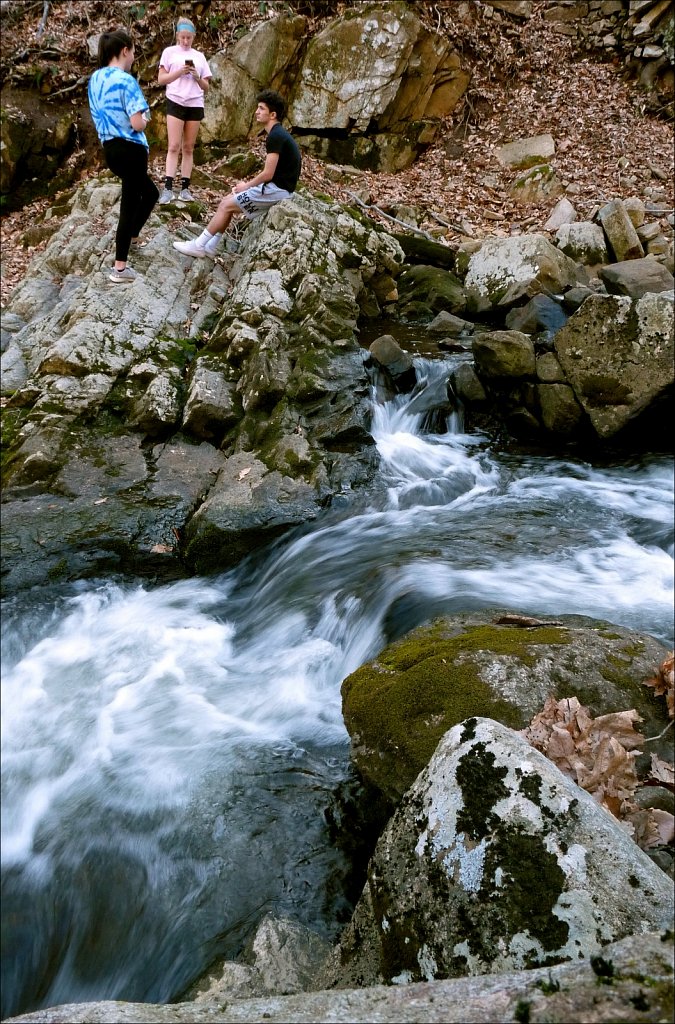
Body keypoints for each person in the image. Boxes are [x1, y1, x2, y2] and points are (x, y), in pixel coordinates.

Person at [173, 89, 301, 259]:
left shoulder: (276, 136)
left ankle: (198, 245)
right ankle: (210, 246)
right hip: (276, 187)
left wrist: (246, 186)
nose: (256, 112)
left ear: (273, 115)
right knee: (226, 202)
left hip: (277, 190)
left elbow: (268, 173)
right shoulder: (278, 134)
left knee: (226, 206)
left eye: (261, 108)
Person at [88, 29, 158, 284]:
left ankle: (133, 236)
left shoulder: (94, 79)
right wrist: (147, 118)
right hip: (132, 148)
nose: (133, 57)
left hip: (110, 149)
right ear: (125, 50)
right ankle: (120, 268)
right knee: (129, 205)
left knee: (151, 193)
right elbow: (137, 123)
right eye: (133, 52)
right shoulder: (126, 80)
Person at [157, 17, 211, 203]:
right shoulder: (169, 52)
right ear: (178, 35)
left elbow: (206, 86)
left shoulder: (200, 57)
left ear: (194, 37)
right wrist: (180, 71)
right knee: (173, 146)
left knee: (188, 147)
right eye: (183, 37)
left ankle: (185, 188)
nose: (186, 41)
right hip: (176, 100)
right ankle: (168, 188)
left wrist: (196, 76)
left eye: (189, 37)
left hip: (195, 102)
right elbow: (161, 79)